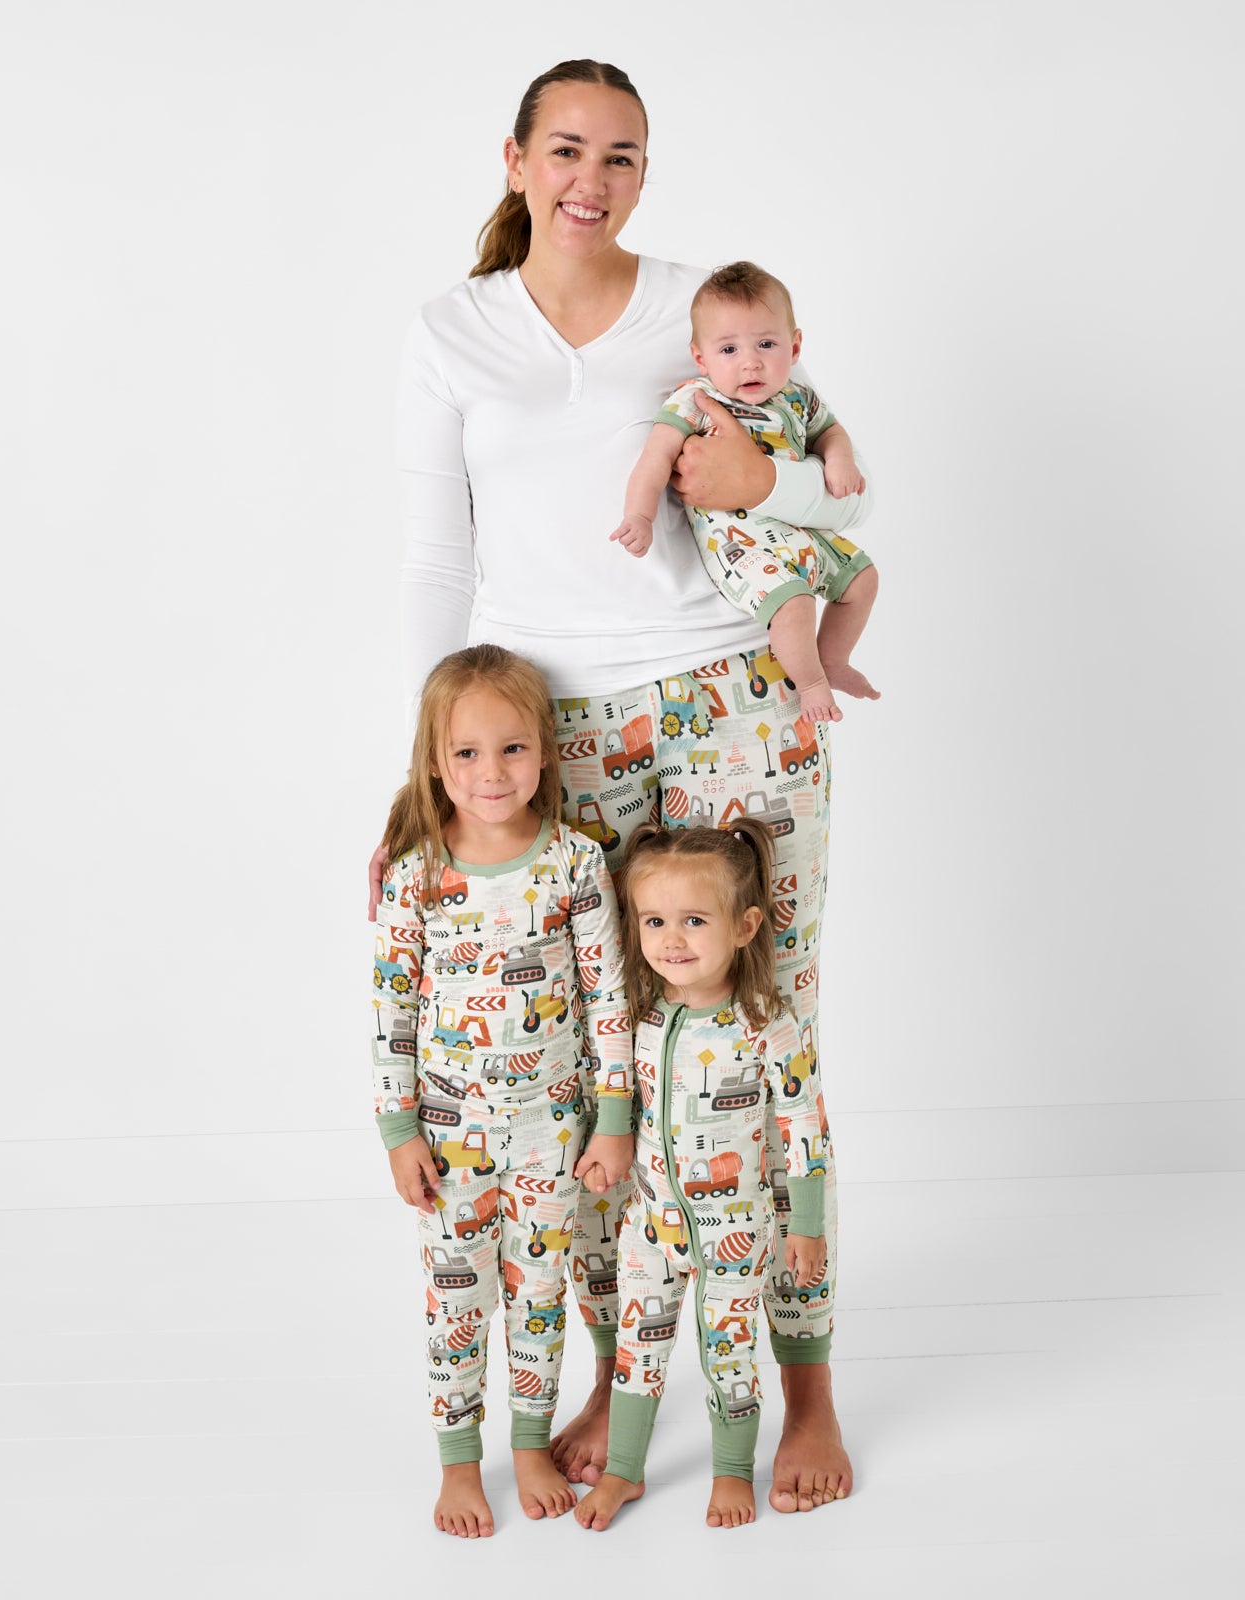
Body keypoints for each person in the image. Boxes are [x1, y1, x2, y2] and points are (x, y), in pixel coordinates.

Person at [374, 57, 872, 1514]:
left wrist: (758, 489)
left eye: (624, 157)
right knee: (605, 1067)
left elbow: (834, 489)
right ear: (516, 158)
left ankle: (807, 1388)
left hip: (735, 702)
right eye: (568, 150)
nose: (592, 181)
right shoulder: (451, 331)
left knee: (766, 1039)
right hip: (558, 737)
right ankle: (622, 1375)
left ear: (646, 174)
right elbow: (437, 560)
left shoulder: (694, 307)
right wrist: (423, 773)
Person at [373, 644, 635, 1537]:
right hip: (450, 1142)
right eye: (468, 753)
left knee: (540, 1290)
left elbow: (608, 999)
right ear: (435, 762)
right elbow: (392, 1011)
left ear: (546, 751)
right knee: (457, 1301)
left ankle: (529, 1443)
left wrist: (612, 1121)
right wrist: (399, 1131)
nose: (493, 772)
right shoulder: (416, 874)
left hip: (555, 1134)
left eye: (513, 748)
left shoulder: (574, 863)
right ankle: (458, 1462)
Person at [574, 819, 830, 1531]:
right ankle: (624, 1472)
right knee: (637, 1355)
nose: (671, 939)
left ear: (745, 927)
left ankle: (731, 1472)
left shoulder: (767, 1024)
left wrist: (806, 1225)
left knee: (729, 1358)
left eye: (694, 920)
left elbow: (804, 1125)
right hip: (650, 1228)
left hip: (735, 1236)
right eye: (654, 921)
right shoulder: (642, 1019)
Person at [610, 259, 880, 725]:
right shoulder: (696, 400)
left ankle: (833, 659)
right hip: (741, 546)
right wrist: (640, 515)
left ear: (795, 346)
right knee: (793, 604)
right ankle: (810, 683)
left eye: (766, 344)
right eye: (729, 349)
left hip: (801, 531)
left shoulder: (798, 397)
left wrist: (838, 459)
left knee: (863, 579)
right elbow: (654, 460)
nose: (750, 361)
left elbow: (830, 433)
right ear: (701, 358)